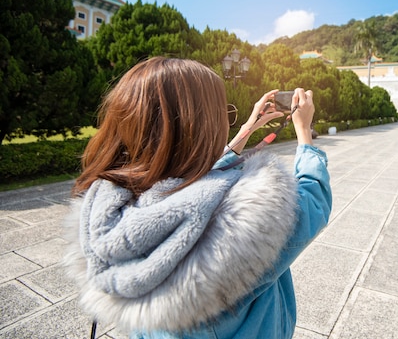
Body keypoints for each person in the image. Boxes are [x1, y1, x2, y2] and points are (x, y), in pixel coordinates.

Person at [64, 56, 332, 339]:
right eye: (222, 115)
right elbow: (312, 202)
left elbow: (190, 182)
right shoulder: (246, 224)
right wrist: (304, 132)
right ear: (200, 128)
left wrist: (245, 131)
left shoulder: (109, 208)